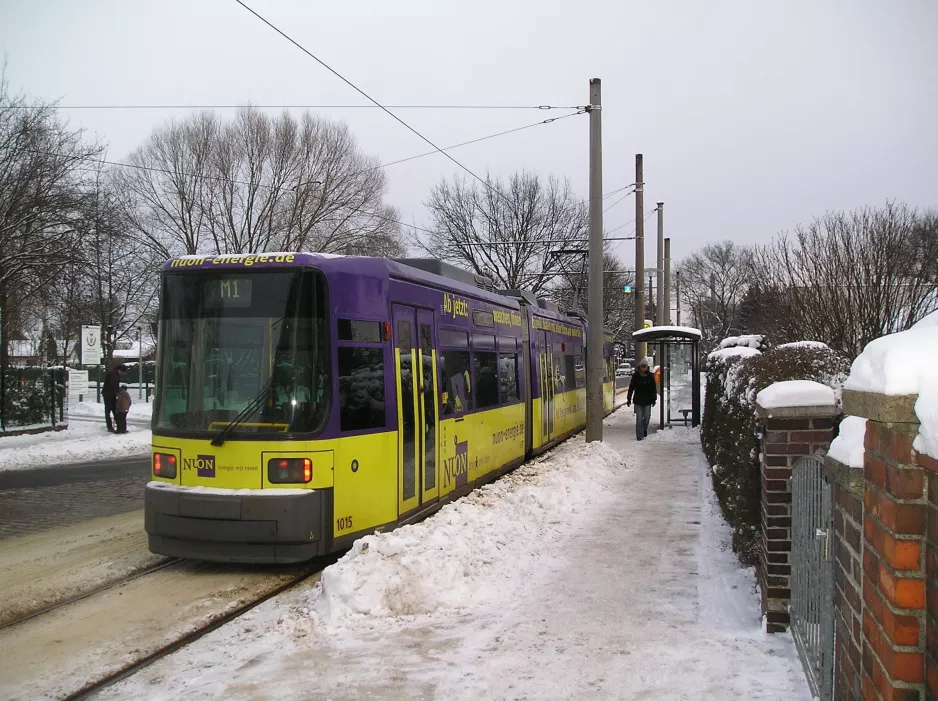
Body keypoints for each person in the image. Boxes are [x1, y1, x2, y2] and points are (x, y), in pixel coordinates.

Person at [626, 357, 657, 441]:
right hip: (638, 400)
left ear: (647, 367)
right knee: (639, 418)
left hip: (647, 400)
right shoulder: (635, 375)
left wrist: (654, 399)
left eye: (645, 367)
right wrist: (629, 398)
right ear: (639, 367)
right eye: (642, 367)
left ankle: (644, 429)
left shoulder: (650, 376)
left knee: (647, 417)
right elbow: (631, 387)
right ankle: (639, 435)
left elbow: (653, 388)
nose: (643, 368)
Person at [102, 363, 127, 433]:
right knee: (109, 411)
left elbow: (115, 386)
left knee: (114, 411)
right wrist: (118, 392)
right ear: (119, 370)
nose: (122, 374)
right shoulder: (113, 374)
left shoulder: (115, 373)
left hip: (111, 394)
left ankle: (119, 427)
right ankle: (110, 427)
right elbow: (113, 385)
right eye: (122, 372)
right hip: (108, 395)